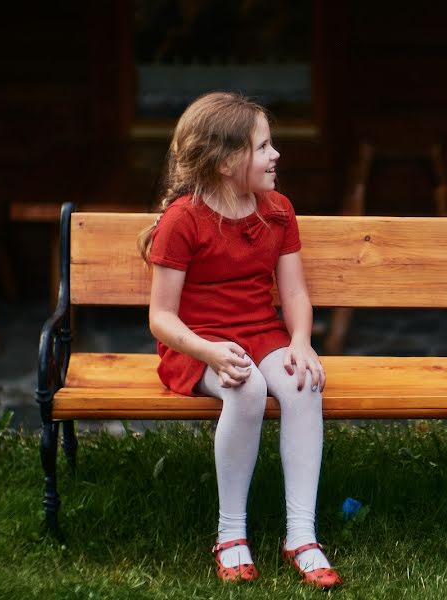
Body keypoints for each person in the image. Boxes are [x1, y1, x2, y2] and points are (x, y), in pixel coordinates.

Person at [137, 92, 342, 589]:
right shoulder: (183, 220)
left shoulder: (277, 211)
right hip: (194, 347)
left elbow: (294, 292)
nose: (276, 156)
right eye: (264, 147)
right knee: (247, 388)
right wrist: (207, 351)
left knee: (302, 384)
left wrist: (300, 342)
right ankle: (231, 534)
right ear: (228, 161)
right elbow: (161, 318)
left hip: (262, 333)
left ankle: (301, 534)